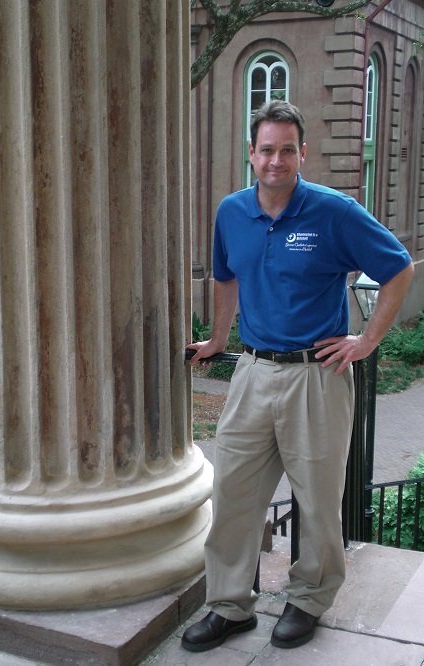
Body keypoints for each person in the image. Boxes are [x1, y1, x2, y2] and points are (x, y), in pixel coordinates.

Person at [182, 100, 414, 652]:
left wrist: (367, 341)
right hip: (252, 372)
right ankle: (229, 605)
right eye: (267, 150)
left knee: (317, 500)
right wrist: (219, 339)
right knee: (232, 493)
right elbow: (226, 277)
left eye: (287, 150)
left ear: (302, 153)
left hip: (317, 375)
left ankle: (307, 599)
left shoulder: (334, 212)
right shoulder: (231, 212)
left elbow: (398, 267)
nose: (276, 160)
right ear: (251, 153)